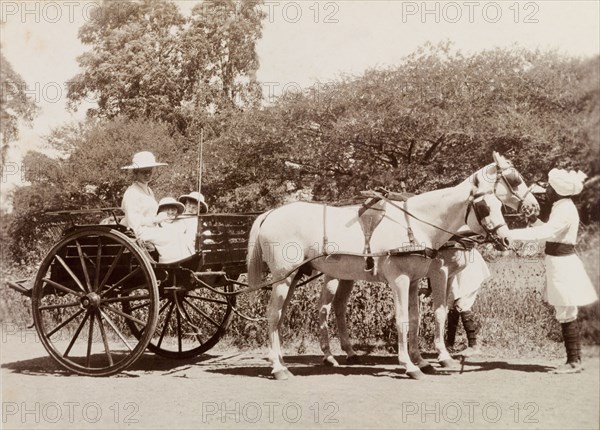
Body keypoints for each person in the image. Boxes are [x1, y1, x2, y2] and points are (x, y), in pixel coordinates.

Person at [509, 168, 598, 374]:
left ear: (557, 190)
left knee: (566, 310)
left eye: (549, 187)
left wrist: (511, 233)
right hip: (559, 263)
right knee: (565, 310)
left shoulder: (565, 209)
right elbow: (551, 231)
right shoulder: (562, 206)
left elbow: (548, 232)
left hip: (563, 265)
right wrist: (532, 220)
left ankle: (573, 361)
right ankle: (574, 360)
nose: (547, 190)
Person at [120, 151, 190, 263]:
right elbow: (134, 223)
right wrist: (155, 220)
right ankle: (169, 267)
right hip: (139, 232)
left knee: (179, 233)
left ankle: (182, 265)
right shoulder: (132, 193)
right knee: (171, 237)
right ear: (136, 172)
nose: (148, 174)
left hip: (151, 229)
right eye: (144, 172)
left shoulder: (148, 190)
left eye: (150, 171)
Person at [445, 247, 492, 357]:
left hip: (466, 262)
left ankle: (473, 345)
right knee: (453, 306)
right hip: (455, 257)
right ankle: (449, 344)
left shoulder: (469, 254)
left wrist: (458, 295)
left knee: (462, 304)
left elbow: (468, 278)